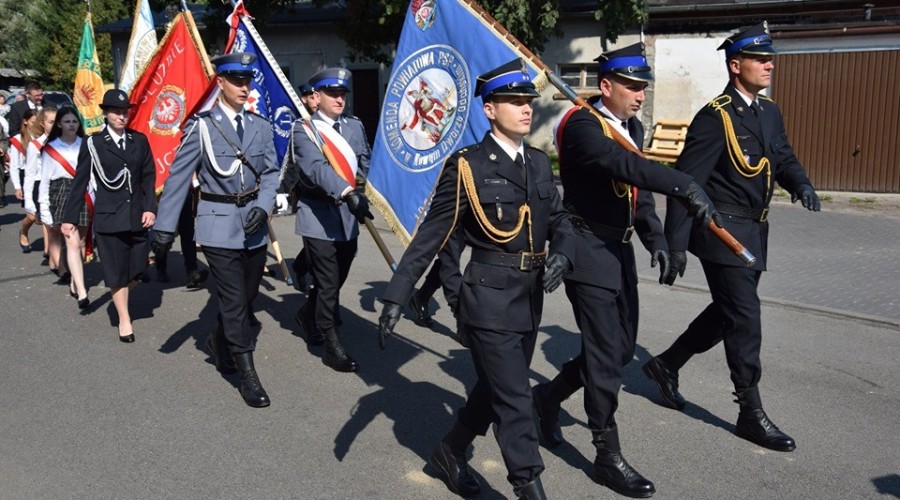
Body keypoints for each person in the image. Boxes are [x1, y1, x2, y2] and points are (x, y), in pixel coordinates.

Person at [378, 59, 576, 500]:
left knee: (494, 388)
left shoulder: (538, 162)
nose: (526, 108)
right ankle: (528, 485)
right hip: (487, 300)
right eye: (514, 101)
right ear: (489, 109)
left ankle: (449, 452)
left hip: (528, 299)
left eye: (528, 101)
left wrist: (563, 251)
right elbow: (432, 235)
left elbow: (560, 218)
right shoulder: (468, 166)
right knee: (515, 399)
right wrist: (397, 295)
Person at [530, 42, 721, 498]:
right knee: (603, 358)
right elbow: (626, 166)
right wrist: (684, 184)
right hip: (585, 249)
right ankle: (606, 454)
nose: (640, 95)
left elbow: (636, 193)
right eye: (632, 86)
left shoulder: (629, 125)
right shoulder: (582, 126)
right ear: (606, 85)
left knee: (618, 352)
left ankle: (546, 398)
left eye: (643, 87)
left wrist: (656, 239)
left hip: (619, 252)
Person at [645, 22, 820, 453]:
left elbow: (782, 155)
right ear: (736, 65)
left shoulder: (768, 111)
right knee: (744, 317)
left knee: (728, 312)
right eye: (760, 59)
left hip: (755, 231)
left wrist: (800, 182)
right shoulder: (715, 117)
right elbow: (687, 182)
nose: (769, 65)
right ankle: (749, 411)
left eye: (770, 59)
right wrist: (676, 244)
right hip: (722, 232)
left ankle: (666, 364)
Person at [152, 53, 278, 408]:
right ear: (220, 82)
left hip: (253, 224)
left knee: (248, 295)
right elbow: (178, 178)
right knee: (235, 301)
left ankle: (218, 341)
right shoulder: (202, 127)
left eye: (247, 80)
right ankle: (246, 372)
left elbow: (271, 174)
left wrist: (263, 206)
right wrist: (164, 228)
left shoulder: (260, 126)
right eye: (236, 80)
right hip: (217, 223)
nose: (243, 87)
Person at [288, 67, 372, 372]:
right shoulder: (304, 129)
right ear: (316, 96)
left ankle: (307, 313)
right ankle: (329, 342)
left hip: (348, 215)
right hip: (318, 214)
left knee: (339, 276)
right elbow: (316, 168)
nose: (339, 99)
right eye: (332, 94)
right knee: (327, 280)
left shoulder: (354, 126)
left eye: (342, 94)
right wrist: (347, 191)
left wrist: (372, 192)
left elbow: (365, 162)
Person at [62, 89, 157, 342]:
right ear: (105, 113)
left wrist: (150, 207)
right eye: (116, 112)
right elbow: (80, 181)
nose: (121, 116)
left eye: (125, 112)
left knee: (138, 269)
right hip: (109, 217)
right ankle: (124, 319)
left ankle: (121, 293)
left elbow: (148, 176)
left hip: (136, 216)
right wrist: (70, 218)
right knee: (116, 272)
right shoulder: (93, 143)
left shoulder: (139, 140)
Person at [37, 106, 88, 302]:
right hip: (61, 192)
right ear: (59, 124)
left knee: (81, 242)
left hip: (84, 192)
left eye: (74, 121)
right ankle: (82, 291)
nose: (71, 125)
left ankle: (76, 280)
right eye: (67, 121)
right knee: (71, 241)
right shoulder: (51, 148)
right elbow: (44, 181)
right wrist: (44, 210)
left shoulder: (86, 144)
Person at [23, 107, 56, 265]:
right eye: (51, 122)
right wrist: (28, 200)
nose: (55, 125)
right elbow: (29, 174)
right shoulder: (35, 145)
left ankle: (52, 251)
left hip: (59, 185)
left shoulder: (63, 142)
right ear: (42, 123)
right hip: (41, 185)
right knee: (47, 220)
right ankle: (50, 252)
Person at [8, 110, 38, 247]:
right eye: (33, 122)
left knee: (46, 216)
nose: (36, 125)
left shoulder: (42, 137)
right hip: (26, 176)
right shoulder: (18, 139)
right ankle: (24, 232)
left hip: (41, 176)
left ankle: (49, 249)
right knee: (32, 216)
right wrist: (17, 187)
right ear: (25, 121)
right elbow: (14, 166)